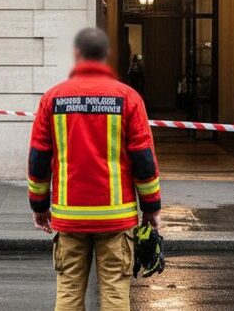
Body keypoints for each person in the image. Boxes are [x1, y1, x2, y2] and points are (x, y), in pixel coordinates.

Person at [28, 27, 162, 311]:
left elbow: (39, 161)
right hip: (116, 218)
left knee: (68, 294)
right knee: (115, 294)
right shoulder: (128, 98)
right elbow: (144, 161)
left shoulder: (52, 98)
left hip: (68, 216)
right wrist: (151, 209)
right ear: (106, 57)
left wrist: (39, 207)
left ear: (76, 56)